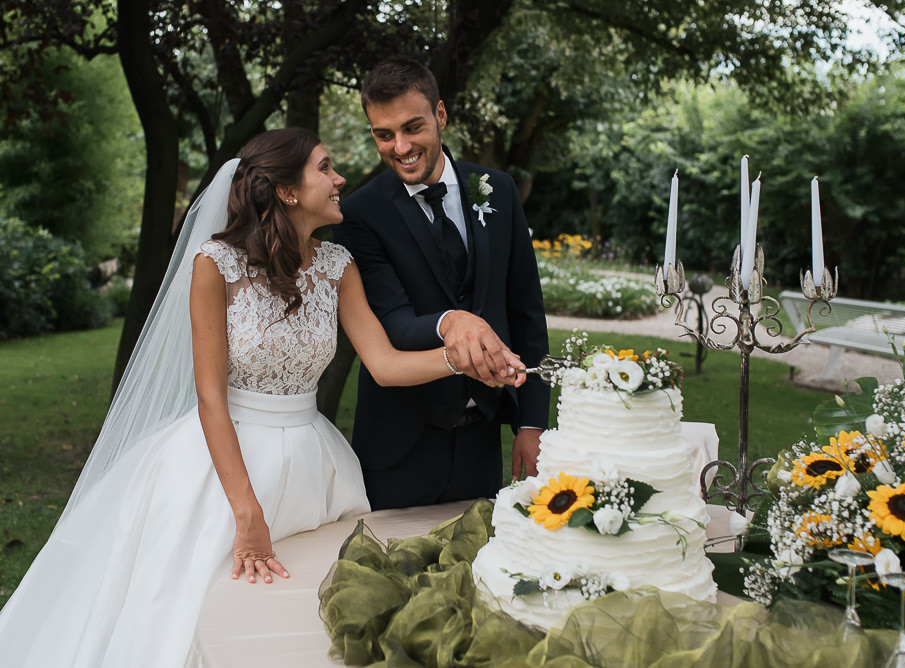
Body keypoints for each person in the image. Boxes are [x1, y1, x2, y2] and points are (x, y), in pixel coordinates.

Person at [0, 127, 524, 667]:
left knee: (297, 614)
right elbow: (209, 398)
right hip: (226, 463)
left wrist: (462, 362)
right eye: (325, 168)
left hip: (315, 463)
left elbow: (385, 366)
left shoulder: (337, 266)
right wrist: (246, 514)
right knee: (198, 607)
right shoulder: (215, 265)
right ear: (287, 191)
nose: (340, 178)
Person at [337, 57, 550, 510]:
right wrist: (452, 322)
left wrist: (531, 423)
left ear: (440, 115)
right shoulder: (360, 213)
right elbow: (391, 321)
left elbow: (526, 310)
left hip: (483, 443)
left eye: (413, 127)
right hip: (398, 449)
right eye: (383, 134)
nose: (400, 146)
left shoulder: (499, 189)